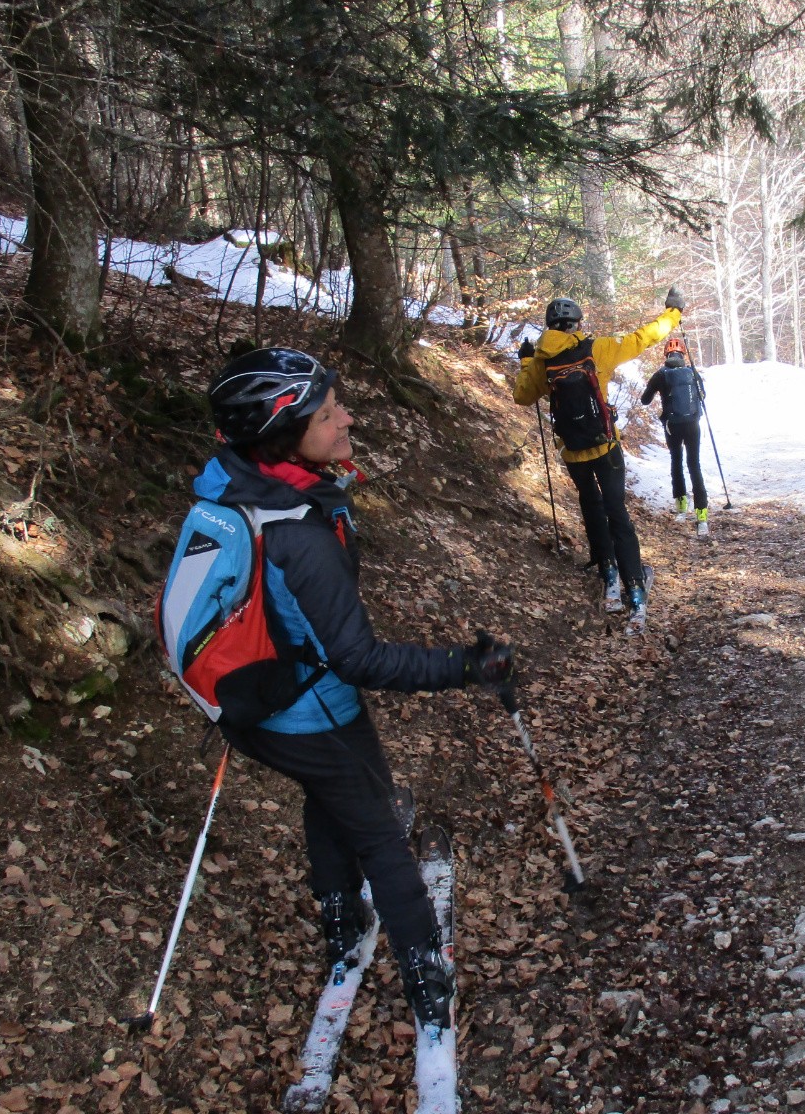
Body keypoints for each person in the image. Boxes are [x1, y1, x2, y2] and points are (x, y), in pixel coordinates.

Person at [192, 346, 514, 1030]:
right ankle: (427, 976)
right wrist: (464, 667)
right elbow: (359, 660)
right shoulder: (298, 532)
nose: (346, 419)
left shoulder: (235, 485)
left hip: (252, 705)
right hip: (308, 712)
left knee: (328, 794)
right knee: (378, 832)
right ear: (283, 434)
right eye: (327, 412)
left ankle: (342, 921)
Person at [513, 288, 684, 627]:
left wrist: (527, 361)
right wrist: (673, 313)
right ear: (576, 324)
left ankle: (609, 581)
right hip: (605, 447)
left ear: (549, 326)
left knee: (590, 507)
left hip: (573, 452)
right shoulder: (599, 348)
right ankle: (635, 591)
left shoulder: (544, 361)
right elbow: (644, 337)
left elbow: (522, 396)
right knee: (616, 511)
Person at [639, 336, 709, 537]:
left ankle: (681, 508)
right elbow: (703, 396)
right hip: (693, 425)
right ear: (683, 354)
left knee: (676, 462)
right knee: (694, 465)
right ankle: (702, 516)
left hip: (673, 427)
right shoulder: (692, 372)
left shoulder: (661, 375)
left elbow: (645, 400)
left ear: (666, 355)